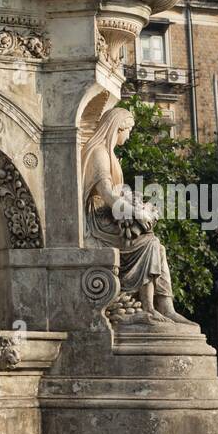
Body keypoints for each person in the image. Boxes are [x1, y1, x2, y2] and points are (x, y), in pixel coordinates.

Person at [82, 106, 192, 323]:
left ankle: (165, 305)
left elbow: (117, 193)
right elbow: (105, 193)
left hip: (110, 216)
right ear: (117, 128)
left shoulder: (110, 154)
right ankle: (149, 307)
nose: (129, 135)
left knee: (157, 246)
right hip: (98, 220)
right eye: (128, 130)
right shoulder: (99, 153)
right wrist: (134, 212)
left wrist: (137, 205)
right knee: (150, 243)